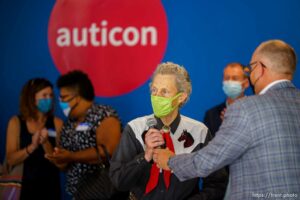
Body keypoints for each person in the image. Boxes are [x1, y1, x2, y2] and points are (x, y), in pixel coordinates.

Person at [154, 40, 300, 199]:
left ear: (260, 68)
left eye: (251, 68)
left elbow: (208, 160)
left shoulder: (245, 108)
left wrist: (170, 160)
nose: (251, 74)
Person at [109, 62, 228, 200]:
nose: (157, 96)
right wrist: (145, 157)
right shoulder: (135, 129)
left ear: (181, 97)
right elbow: (118, 181)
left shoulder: (199, 132)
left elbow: (218, 184)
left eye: (164, 91)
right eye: (154, 90)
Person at [45, 70, 125, 199]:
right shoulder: (69, 122)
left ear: (77, 97)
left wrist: (71, 156)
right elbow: (64, 162)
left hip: (102, 192)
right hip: (76, 193)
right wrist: (59, 158)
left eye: (64, 97)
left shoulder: (104, 115)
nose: (60, 102)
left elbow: (109, 151)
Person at [5, 78, 63, 199]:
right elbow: (10, 159)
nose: (49, 99)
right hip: (21, 190)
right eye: (44, 95)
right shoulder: (15, 122)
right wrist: (32, 147)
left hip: (50, 189)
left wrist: (45, 143)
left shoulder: (57, 123)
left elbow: (60, 163)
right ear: (32, 98)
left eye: (51, 95)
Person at [203, 62, 249, 137]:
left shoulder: (255, 110)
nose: (230, 82)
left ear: (246, 83)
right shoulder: (211, 114)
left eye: (235, 78)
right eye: (227, 78)